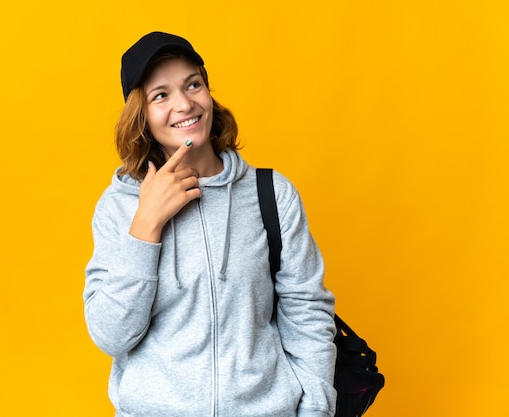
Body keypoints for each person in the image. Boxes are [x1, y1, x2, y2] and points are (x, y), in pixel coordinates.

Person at [83, 31, 337, 417]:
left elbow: (307, 315)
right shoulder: (120, 207)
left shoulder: (271, 194)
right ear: (142, 117)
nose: (185, 104)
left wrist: (316, 410)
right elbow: (112, 335)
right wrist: (145, 225)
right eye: (161, 95)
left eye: (193, 84)